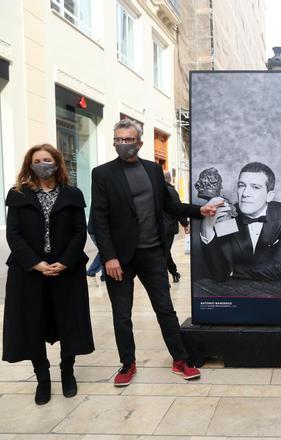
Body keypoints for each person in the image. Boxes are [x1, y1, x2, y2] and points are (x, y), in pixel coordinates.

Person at [91, 119, 219, 387]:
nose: (122, 144)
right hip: (120, 258)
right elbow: (99, 219)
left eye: (127, 140)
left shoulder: (152, 170)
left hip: (152, 253)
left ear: (139, 143)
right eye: (118, 140)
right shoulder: (102, 174)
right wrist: (109, 257)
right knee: (122, 315)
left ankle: (180, 360)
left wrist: (199, 211)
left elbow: (169, 206)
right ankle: (128, 363)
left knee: (165, 309)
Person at [3, 144, 94, 405]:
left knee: (68, 321)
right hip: (28, 272)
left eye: (47, 159)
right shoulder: (18, 194)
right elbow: (14, 234)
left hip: (67, 270)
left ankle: (67, 371)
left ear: (57, 162)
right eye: (37, 160)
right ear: (29, 165)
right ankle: (42, 378)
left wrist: (65, 261)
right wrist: (35, 263)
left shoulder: (73, 194)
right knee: (32, 324)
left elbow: (80, 231)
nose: (43, 164)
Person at [200, 162, 281, 282]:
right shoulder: (230, 215)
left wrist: (235, 272)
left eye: (255, 187)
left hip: (276, 289)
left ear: (269, 195)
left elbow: (279, 269)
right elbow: (220, 273)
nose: (245, 194)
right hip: (236, 291)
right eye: (241, 185)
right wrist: (207, 227)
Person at [163, 170, 189, 283]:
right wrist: (185, 224)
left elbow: (177, 209)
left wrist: (185, 223)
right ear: (169, 179)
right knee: (164, 253)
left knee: (163, 254)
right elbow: (179, 208)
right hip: (167, 228)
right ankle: (174, 273)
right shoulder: (170, 191)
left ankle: (166, 280)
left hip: (165, 228)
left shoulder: (168, 191)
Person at [86, 212, 105, 282]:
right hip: (96, 230)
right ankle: (91, 271)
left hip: (96, 229)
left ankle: (104, 275)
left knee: (104, 251)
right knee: (104, 251)